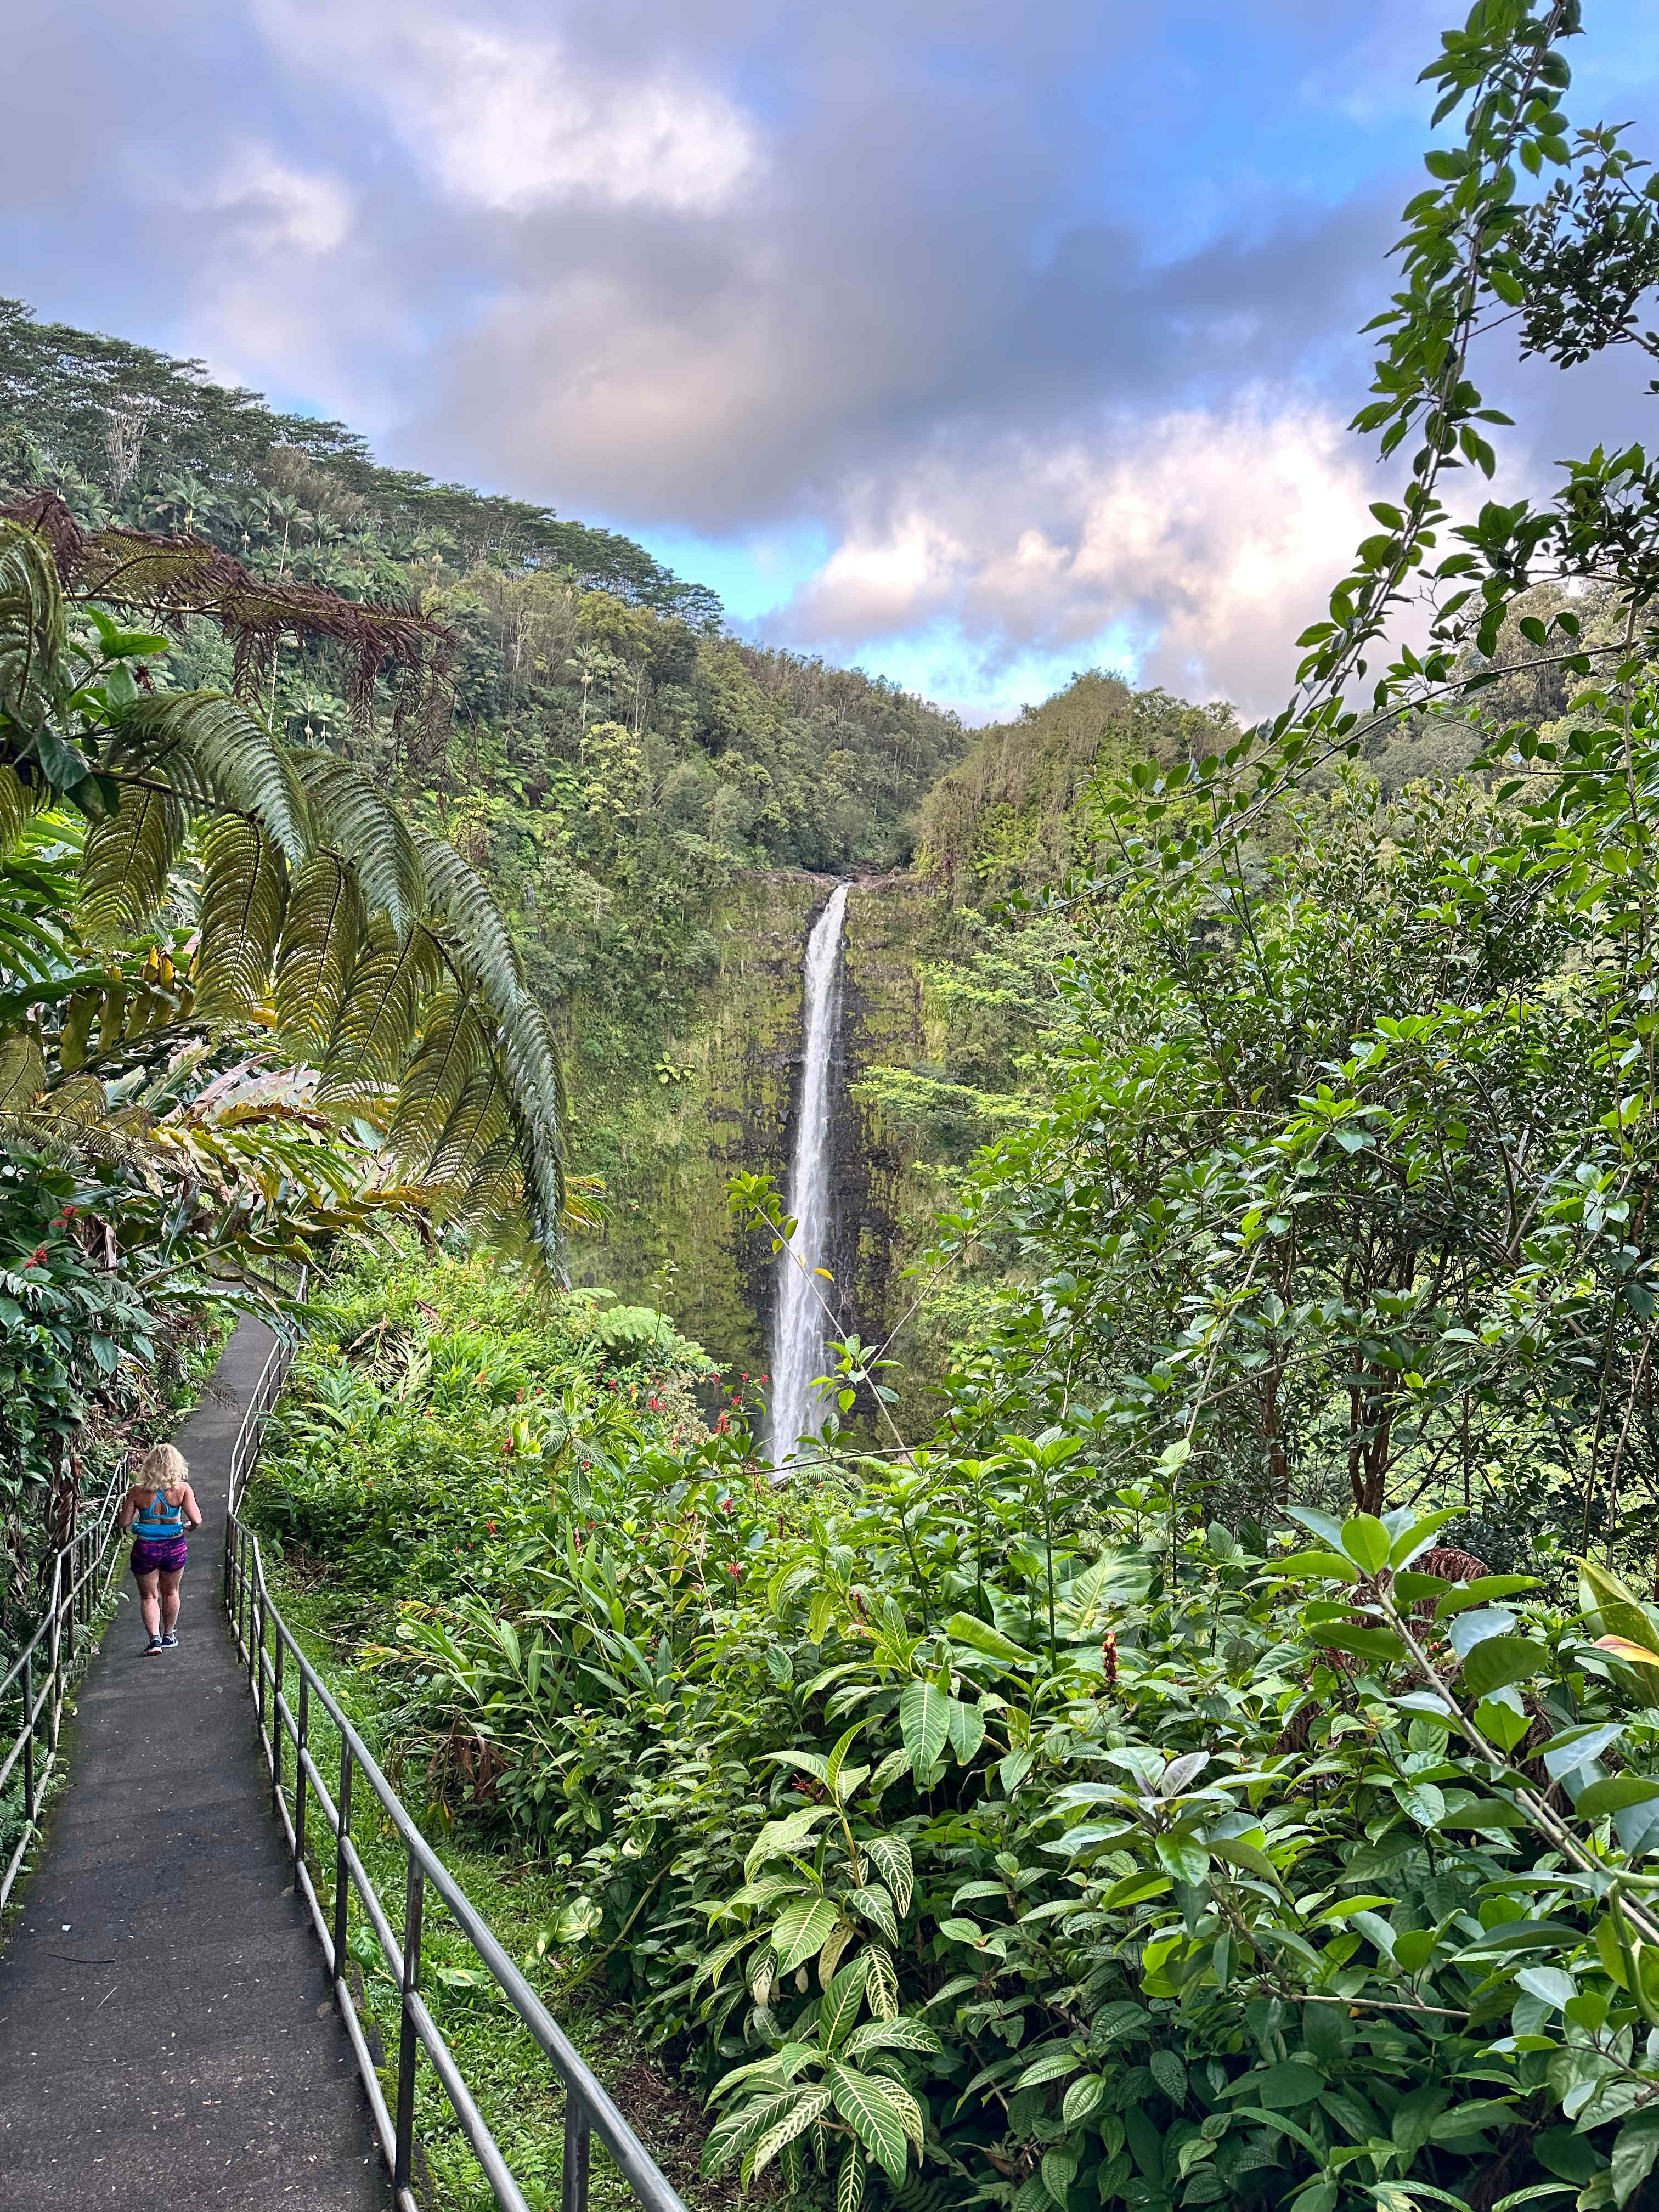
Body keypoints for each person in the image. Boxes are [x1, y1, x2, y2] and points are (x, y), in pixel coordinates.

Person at [119, 1444, 202, 1655]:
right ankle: (169, 1635)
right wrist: (186, 1527)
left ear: (149, 1466)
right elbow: (197, 1521)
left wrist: (142, 1516)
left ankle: (154, 1640)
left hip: (145, 1548)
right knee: (171, 1592)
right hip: (174, 1547)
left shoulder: (138, 1492)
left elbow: (124, 1522)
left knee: (149, 1597)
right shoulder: (183, 1489)